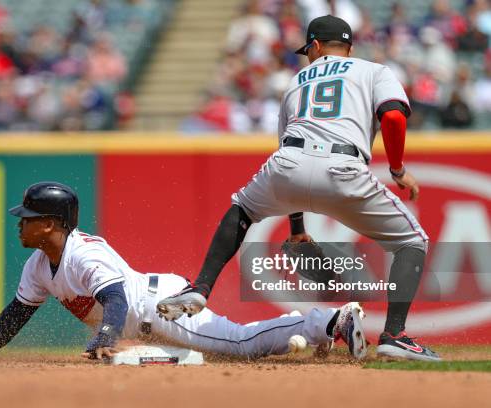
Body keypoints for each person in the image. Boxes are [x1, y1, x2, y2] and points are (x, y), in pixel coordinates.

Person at [157, 15, 440, 362]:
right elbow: (394, 117)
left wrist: (296, 227)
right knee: (412, 241)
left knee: (242, 209)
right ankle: (394, 335)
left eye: (307, 50)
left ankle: (200, 286)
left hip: (287, 163)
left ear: (316, 46)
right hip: (343, 167)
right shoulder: (373, 70)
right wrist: (397, 169)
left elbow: (291, 150)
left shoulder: (296, 81)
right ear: (349, 48)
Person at [0, 181, 367, 360]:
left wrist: (106, 334)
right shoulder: (38, 264)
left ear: (52, 223)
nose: (20, 223)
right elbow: (17, 314)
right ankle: (303, 328)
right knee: (222, 354)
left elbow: (115, 299)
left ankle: (329, 321)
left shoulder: (83, 254)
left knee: (239, 346)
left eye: (29, 217)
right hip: (146, 314)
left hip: (158, 307)